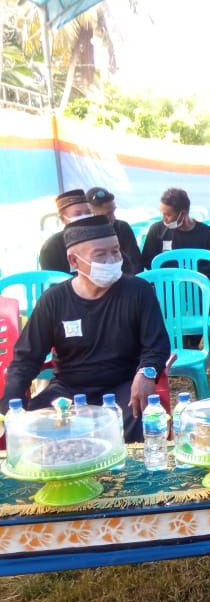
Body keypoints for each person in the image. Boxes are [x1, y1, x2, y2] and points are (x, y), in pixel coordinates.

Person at [2, 216, 170, 442]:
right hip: (68, 390)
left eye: (116, 252)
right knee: (34, 430)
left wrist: (146, 372)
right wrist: (10, 406)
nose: (111, 260)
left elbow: (157, 345)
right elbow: (26, 358)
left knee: (139, 418)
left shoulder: (139, 291)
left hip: (123, 386)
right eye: (100, 255)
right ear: (74, 260)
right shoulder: (54, 300)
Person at [140, 188, 210, 279]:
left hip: (197, 284)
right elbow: (147, 261)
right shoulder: (157, 230)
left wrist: (191, 275)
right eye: (162, 214)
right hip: (165, 283)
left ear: (183, 214)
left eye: (168, 215)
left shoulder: (207, 233)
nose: (164, 219)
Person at [85, 187, 144, 275]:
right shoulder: (82, 235)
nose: (113, 217)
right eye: (107, 214)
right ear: (91, 213)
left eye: (113, 211)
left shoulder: (122, 228)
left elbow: (136, 262)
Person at [38, 190, 96, 272]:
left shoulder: (104, 238)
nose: (85, 217)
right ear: (63, 219)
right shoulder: (52, 247)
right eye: (78, 214)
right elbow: (53, 278)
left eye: (88, 212)